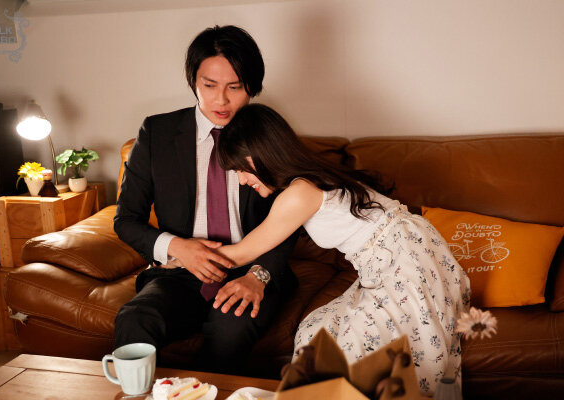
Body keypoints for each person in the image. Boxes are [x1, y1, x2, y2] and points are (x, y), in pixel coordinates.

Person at [213, 103, 471, 395]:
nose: (241, 180)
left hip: (406, 264)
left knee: (351, 348)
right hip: (413, 254)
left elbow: (239, 255)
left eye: (240, 168)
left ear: (263, 151)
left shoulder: (299, 193)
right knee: (316, 333)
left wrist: (177, 252)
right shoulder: (312, 177)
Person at [113, 26, 297, 374]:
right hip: (180, 270)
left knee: (230, 330)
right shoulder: (157, 134)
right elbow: (126, 220)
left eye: (235, 87)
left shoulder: (267, 135)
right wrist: (178, 247)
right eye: (209, 85)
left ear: (252, 86)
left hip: (250, 268)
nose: (221, 101)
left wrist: (259, 276)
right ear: (193, 81)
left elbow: (291, 217)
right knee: (135, 318)